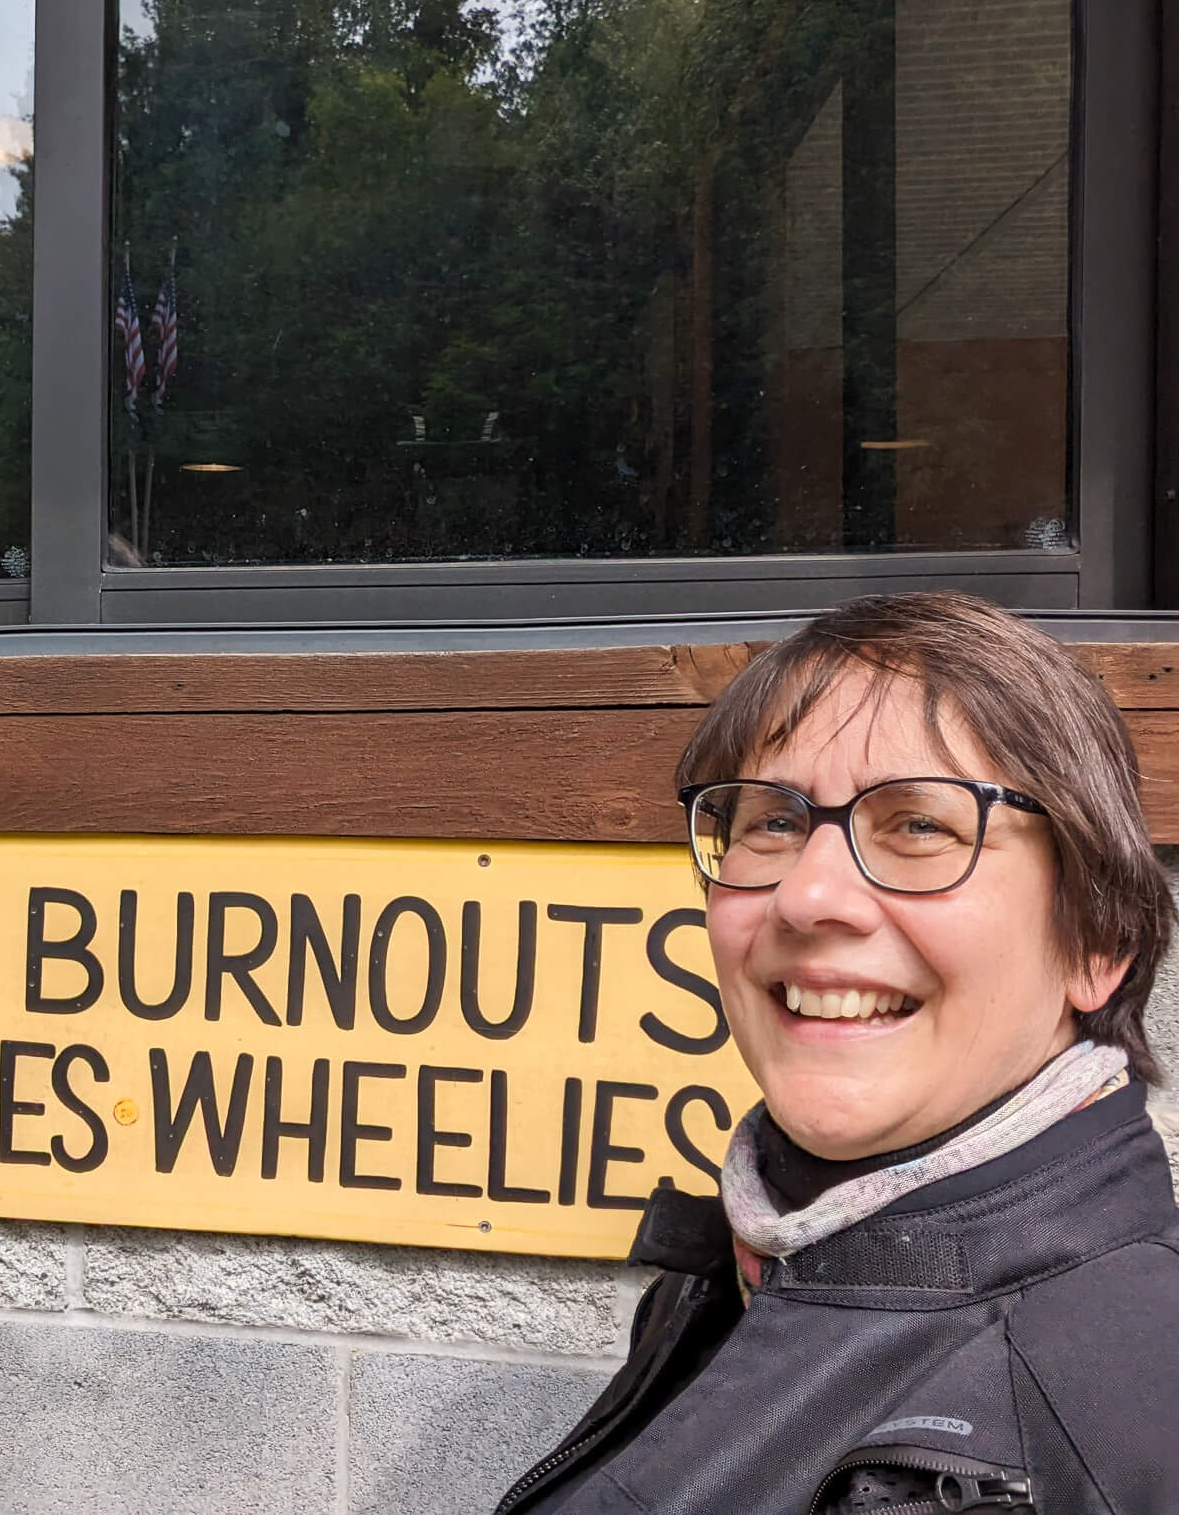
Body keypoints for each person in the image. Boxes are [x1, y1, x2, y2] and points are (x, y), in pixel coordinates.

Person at [496, 592, 1179, 1514]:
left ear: (1099, 942)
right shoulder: (755, 1262)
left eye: (922, 825)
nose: (809, 895)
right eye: (772, 821)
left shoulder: (1109, 1416)